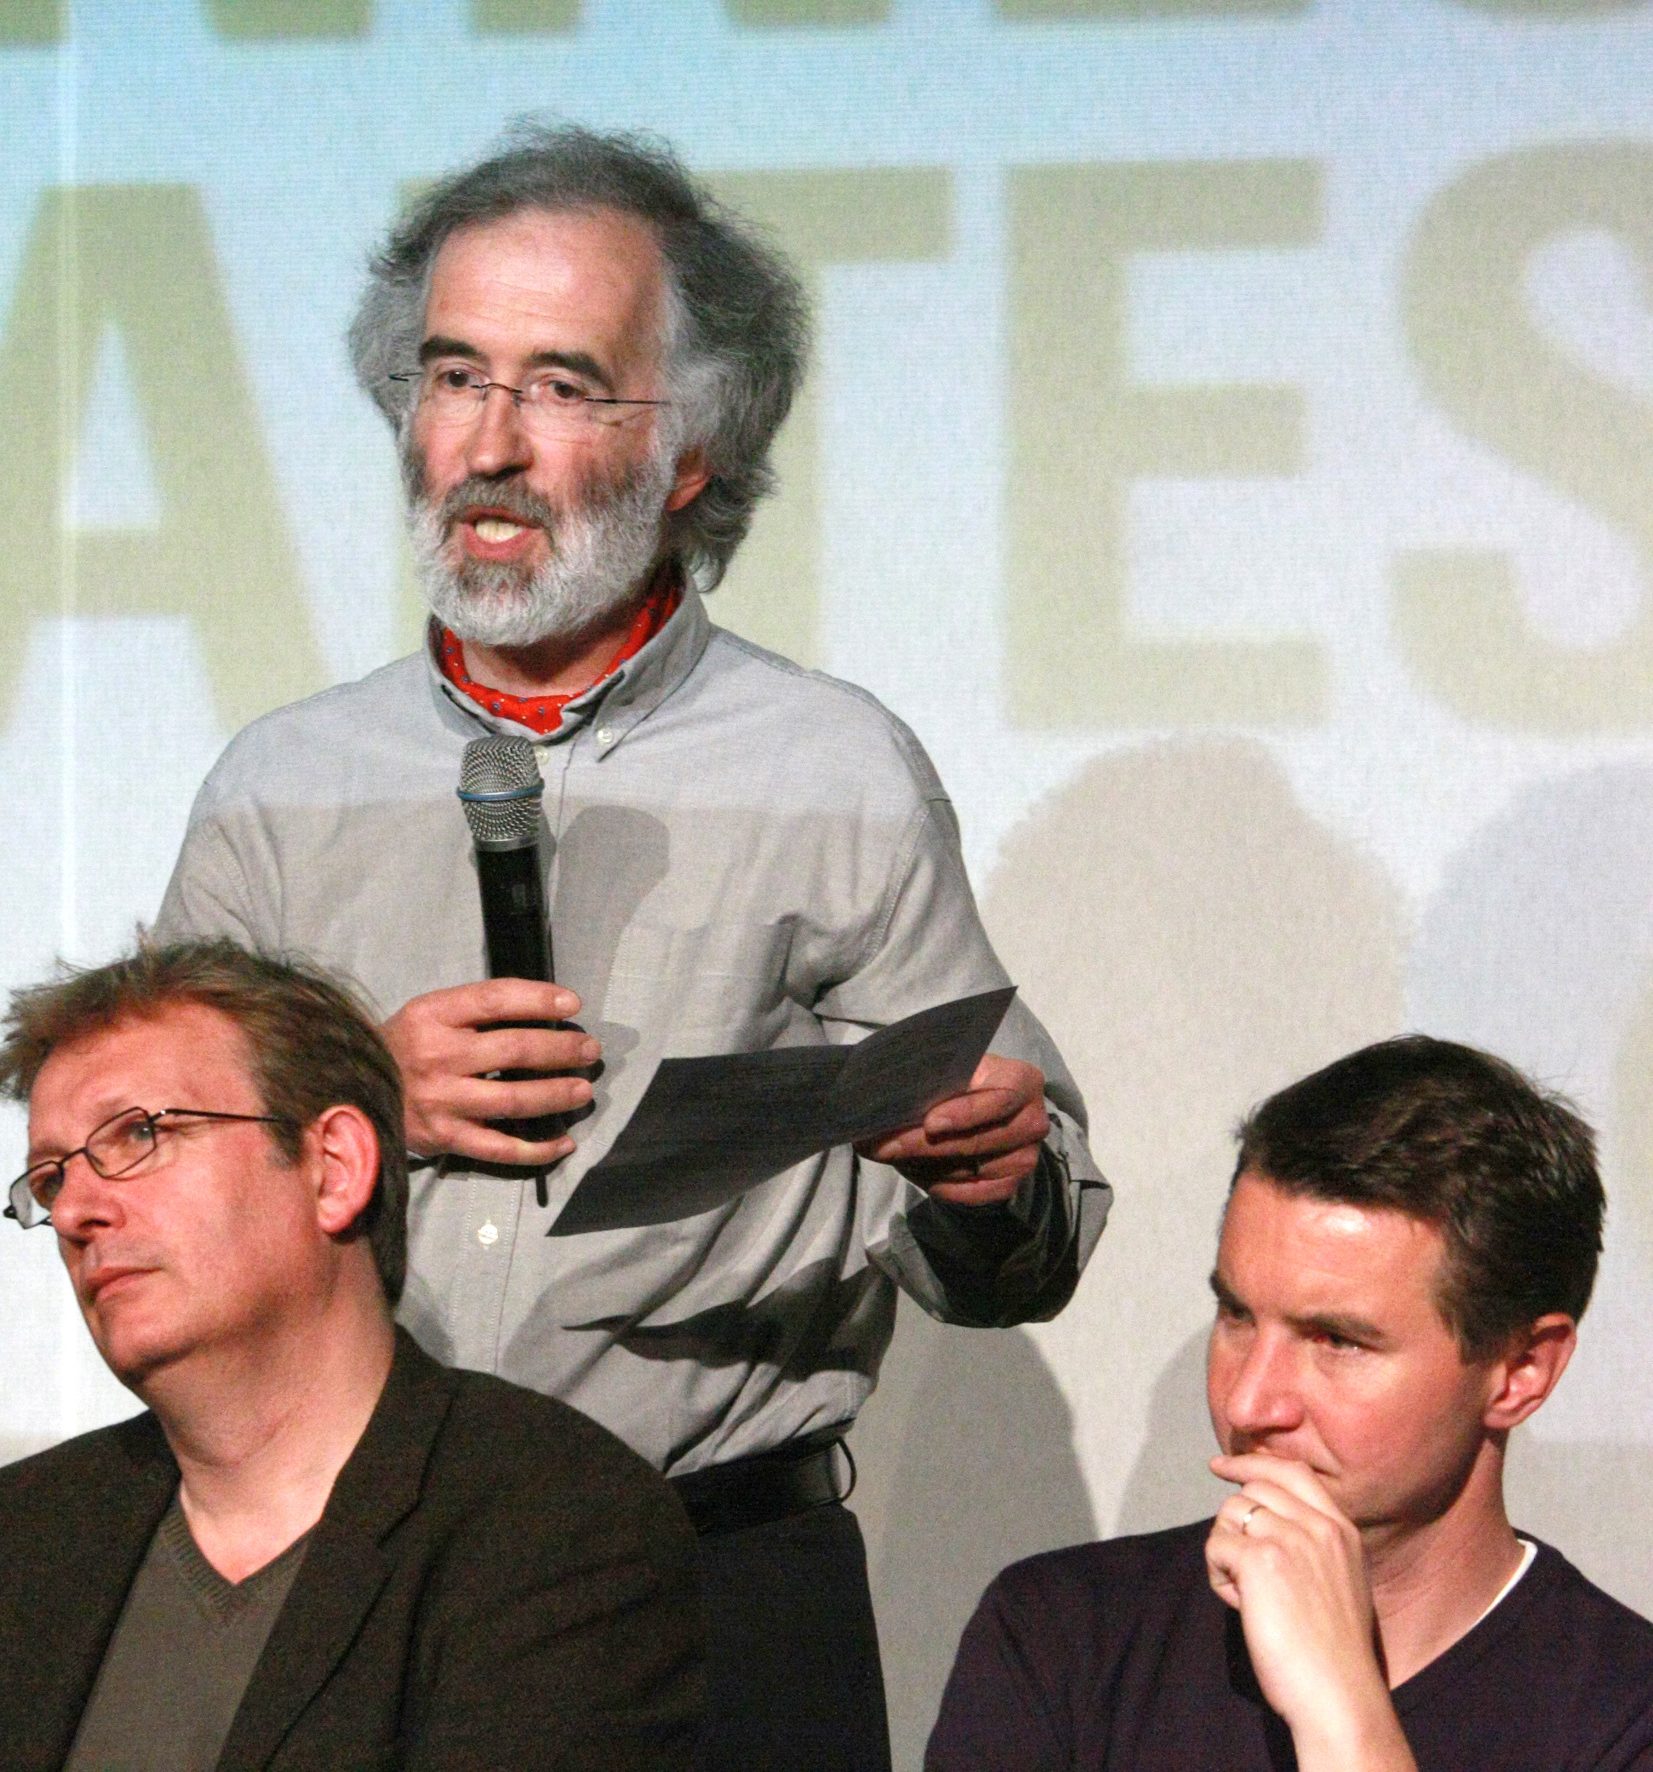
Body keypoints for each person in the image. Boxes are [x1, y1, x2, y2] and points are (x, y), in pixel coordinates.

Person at [154, 120, 1111, 1770]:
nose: (487, 445)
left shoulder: (827, 772)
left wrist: (987, 1178)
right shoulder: (279, 787)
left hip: (713, 1583)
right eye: (452, 378)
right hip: (341, 1583)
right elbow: (133, 1185)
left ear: (688, 456)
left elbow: (1023, 1245)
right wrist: (353, 1100)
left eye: (561, 388)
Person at [0, 938, 703, 1772]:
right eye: (51, 1178)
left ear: (334, 1168)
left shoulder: (555, 1523)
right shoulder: (12, 1543)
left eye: (139, 1133)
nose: (76, 1208)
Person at [927, 1035, 1653, 1771]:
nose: (1248, 1403)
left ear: (1522, 1370)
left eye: (1337, 1340)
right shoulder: (1064, 1638)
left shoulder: (1623, 1718)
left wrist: (1340, 1709)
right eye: (1237, 1315)